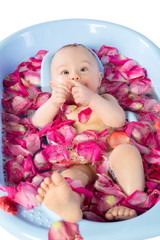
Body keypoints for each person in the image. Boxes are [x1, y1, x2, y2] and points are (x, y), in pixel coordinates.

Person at [32, 44, 145, 223]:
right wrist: (53, 102)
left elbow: (117, 120)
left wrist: (92, 99)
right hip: (78, 162)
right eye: (65, 73)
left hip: (111, 155)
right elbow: (38, 122)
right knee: (70, 177)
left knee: (128, 152)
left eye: (83, 69)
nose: (75, 76)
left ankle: (131, 200)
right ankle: (70, 202)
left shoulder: (105, 99)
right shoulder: (58, 106)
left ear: (99, 79)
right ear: (53, 85)